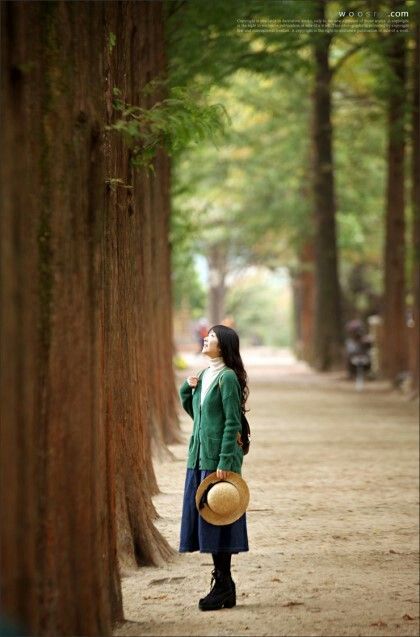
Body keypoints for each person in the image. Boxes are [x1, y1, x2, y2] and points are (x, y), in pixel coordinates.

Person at [178, 324, 249, 611]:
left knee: (220, 520)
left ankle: (223, 584)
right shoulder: (206, 375)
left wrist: (224, 462)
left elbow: (232, 421)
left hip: (217, 462)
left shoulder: (227, 378)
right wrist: (187, 389)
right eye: (207, 336)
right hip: (197, 458)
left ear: (224, 346)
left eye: (213, 337)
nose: (206, 339)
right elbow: (197, 416)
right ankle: (223, 584)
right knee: (208, 522)